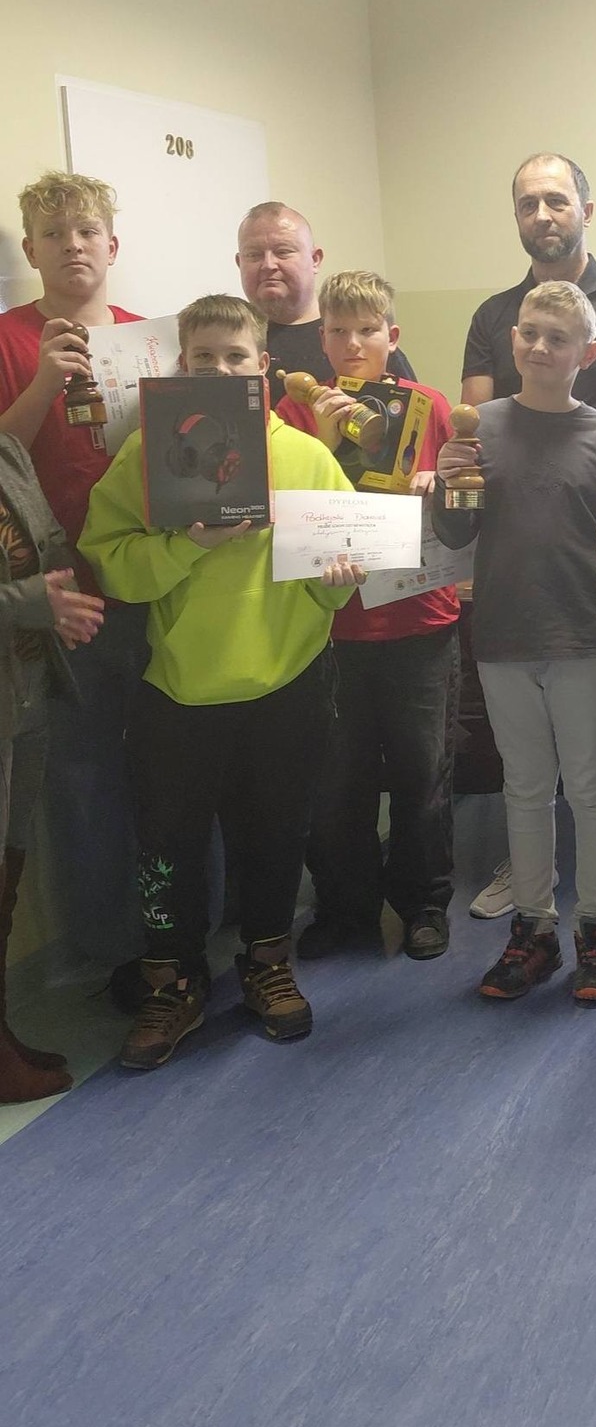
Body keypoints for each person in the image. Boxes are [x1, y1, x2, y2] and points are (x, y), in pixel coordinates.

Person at [79, 295, 362, 1072]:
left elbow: (337, 577)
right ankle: (172, 982)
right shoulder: (147, 456)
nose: (220, 369)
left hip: (287, 685)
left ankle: (268, 961)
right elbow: (113, 565)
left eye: (236, 357)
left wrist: (338, 580)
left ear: (263, 367)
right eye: (203, 358)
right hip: (179, 691)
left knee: (276, 833)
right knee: (166, 844)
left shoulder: (307, 458)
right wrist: (188, 546)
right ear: (181, 368)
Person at [461, 153, 596, 930]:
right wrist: (483, 479)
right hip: (510, 613)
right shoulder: (493, 318)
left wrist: (571, 472)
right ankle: (532, 895)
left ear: (585, 207)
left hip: (589, 601)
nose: (543, 214)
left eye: (556, 200)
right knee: (527, 778)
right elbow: (469, 454)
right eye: (528, 203)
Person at [433, 279, 596, 1006]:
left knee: (590, 786)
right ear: (513, 339)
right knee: (524, 787)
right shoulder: (477, 427)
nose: (540, 347)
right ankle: (534, 928)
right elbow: (455, 533)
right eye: (529, 333)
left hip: (585, 637)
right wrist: (449, 483)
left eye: (558, 338)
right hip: (503, 636)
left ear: (588, 353)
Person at [275, 272, 460, 962]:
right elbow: (287, 510)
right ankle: (344, 908)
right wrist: (325, 443)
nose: (352, 343)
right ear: (320, 340)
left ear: (392, 335)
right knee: (336, 781)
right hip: (331, 629)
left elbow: (464, 510)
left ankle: (424, 903)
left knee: (423, 775)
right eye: (338, 331)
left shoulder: (429, 407)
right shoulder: (295, 413)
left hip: (420, 621)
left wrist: (441, 487)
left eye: (367, 330)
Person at [0, 171, 149, 987]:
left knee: (170, 765)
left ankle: (190, 924)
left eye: (87, 231)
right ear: (31, 250)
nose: (73, 246)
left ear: (112, 245)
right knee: (83, 780)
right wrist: (44, 384)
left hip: (157, 584)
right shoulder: (8, 339)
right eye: (54, 234)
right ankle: (111, 951)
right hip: (63, 599)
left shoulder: (148, 337)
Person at [0, 435, 106, 1103]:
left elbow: (48, 544)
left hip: (29, 690)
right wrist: (34, 603)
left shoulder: (8, 450)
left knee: (7, 872)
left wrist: (64, 602)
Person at [236, 202, 418, 388]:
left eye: (283, 252)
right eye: (253, 255)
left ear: (315, 260)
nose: (268, 265)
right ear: (239, 262)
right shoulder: (227, 342)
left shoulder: (371, 346)